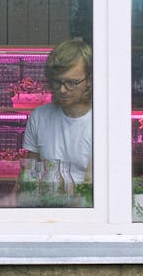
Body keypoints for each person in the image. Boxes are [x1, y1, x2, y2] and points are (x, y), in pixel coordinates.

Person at [22, 38, 92, 186]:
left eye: (71, 83)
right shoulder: (39, 117)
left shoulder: (101, 121)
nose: (62, 90)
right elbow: (28, 175)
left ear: (89, 80)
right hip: (49, 204)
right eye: (57, 82)